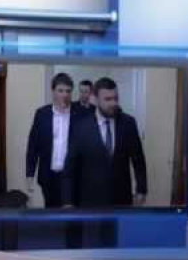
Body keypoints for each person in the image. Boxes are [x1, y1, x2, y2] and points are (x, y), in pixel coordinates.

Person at [62, 77, 148, 208]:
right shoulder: (80, 126)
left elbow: (138, 159)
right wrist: (67, 201)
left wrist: (141, 189)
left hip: (121, 199)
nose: (113, 103)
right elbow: (70, 167)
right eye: (107, 99)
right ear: (95, 99)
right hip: (89, 201)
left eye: (115, 98)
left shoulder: (128, 123)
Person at [25, 73, 77, 208]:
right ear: (53, 91)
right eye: (60, 90)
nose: (65, 95)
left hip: (72, 177)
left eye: (68, 91)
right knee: (51, 213)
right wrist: (30, 174)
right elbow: (33, 145)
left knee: (71, 215)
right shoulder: (42, 114)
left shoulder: (80, 114)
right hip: (48, 177)